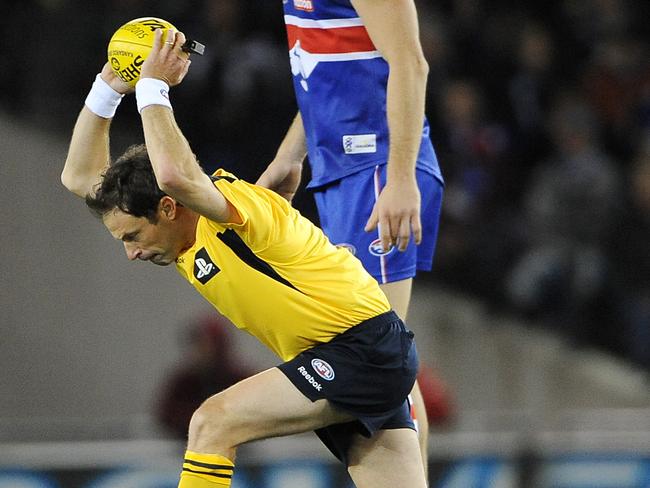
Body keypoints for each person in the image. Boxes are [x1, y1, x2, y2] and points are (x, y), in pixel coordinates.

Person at [61, 29, 427, 488]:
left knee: (213, 422)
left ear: (169, 208)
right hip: (351, 354)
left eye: (132, 236)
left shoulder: (231, 211)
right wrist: (110, 85)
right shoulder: (176, 239)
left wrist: (153, 86)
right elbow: (79, 176)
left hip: (363, 350)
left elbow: (174, 174)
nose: (131, 252)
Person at [256, 0, 445, 472]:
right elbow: (319, 67)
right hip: (342, 171)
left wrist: (400, 179)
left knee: (376, 353)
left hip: (376, 170)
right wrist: (290, 155)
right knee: (385, 350)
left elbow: (410, 63)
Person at [156, 313, 254, 439]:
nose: (199, 350)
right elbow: (167, 415)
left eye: (204, 344)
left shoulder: (240, 379)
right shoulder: (184, 381)